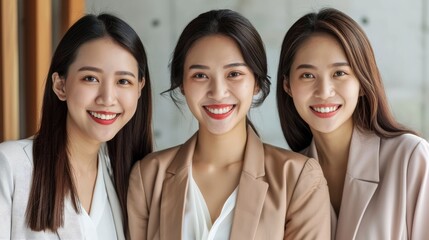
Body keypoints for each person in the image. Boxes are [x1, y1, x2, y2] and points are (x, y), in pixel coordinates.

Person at [128, 9, 330, 240]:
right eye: (200, 76)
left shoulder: (297, 178)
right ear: (182, 84)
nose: (218, 92)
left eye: (233, 74)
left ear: (256, 82)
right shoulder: (148, 177)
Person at [276, 7, 429, 240]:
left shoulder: (409, 157)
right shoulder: (287, 179)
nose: (324, 92)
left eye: (339, 73)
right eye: (308, 75)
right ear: (288, 85)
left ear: (362, 81)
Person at [0, 13, 153, 239]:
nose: (107, 98)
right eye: (90, 78)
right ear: (60, 85)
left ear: (139, 89)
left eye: (123, 81)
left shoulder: (129, 179)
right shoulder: (10, 165)